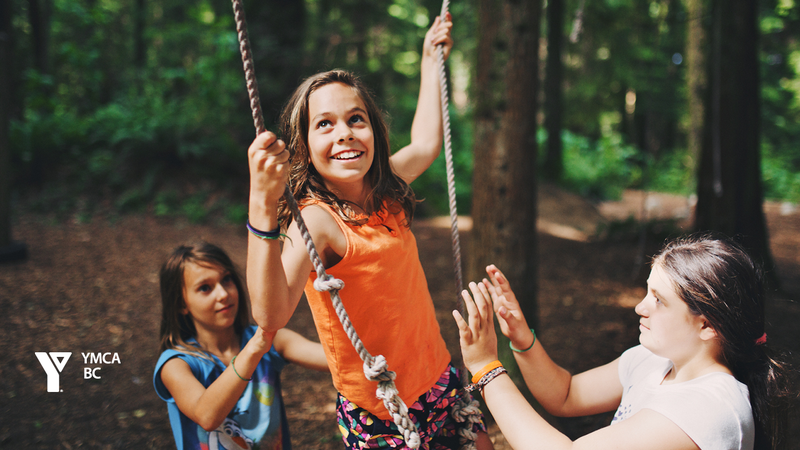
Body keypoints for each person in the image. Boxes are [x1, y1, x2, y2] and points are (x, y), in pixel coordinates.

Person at [245, 13, 494, 449]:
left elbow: (426, 145)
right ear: (304, 144)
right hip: (380, 406)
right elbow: (270, 316)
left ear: (373, 131)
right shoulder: (317, 219)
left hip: (438, 378)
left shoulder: (386, 190)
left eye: (356, 119)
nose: (344, 133)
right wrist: (261, 205)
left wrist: (429, 60)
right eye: (325, 124)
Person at [454, 234, 794, 450]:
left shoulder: (708, 409)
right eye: (647, 292)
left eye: (659, 300)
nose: (640, 307)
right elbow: (566, 394)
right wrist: (522, 337)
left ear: (707, 325)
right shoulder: (654, 361)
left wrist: (486, 368)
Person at [153, 242, 328, 450]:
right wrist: (254, 348)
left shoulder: (272, 340)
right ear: (181, 304)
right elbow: (207, 416)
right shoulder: (176, 364)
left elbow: (334, 360)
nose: (223, 294)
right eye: (205, 288)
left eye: (226, 279)